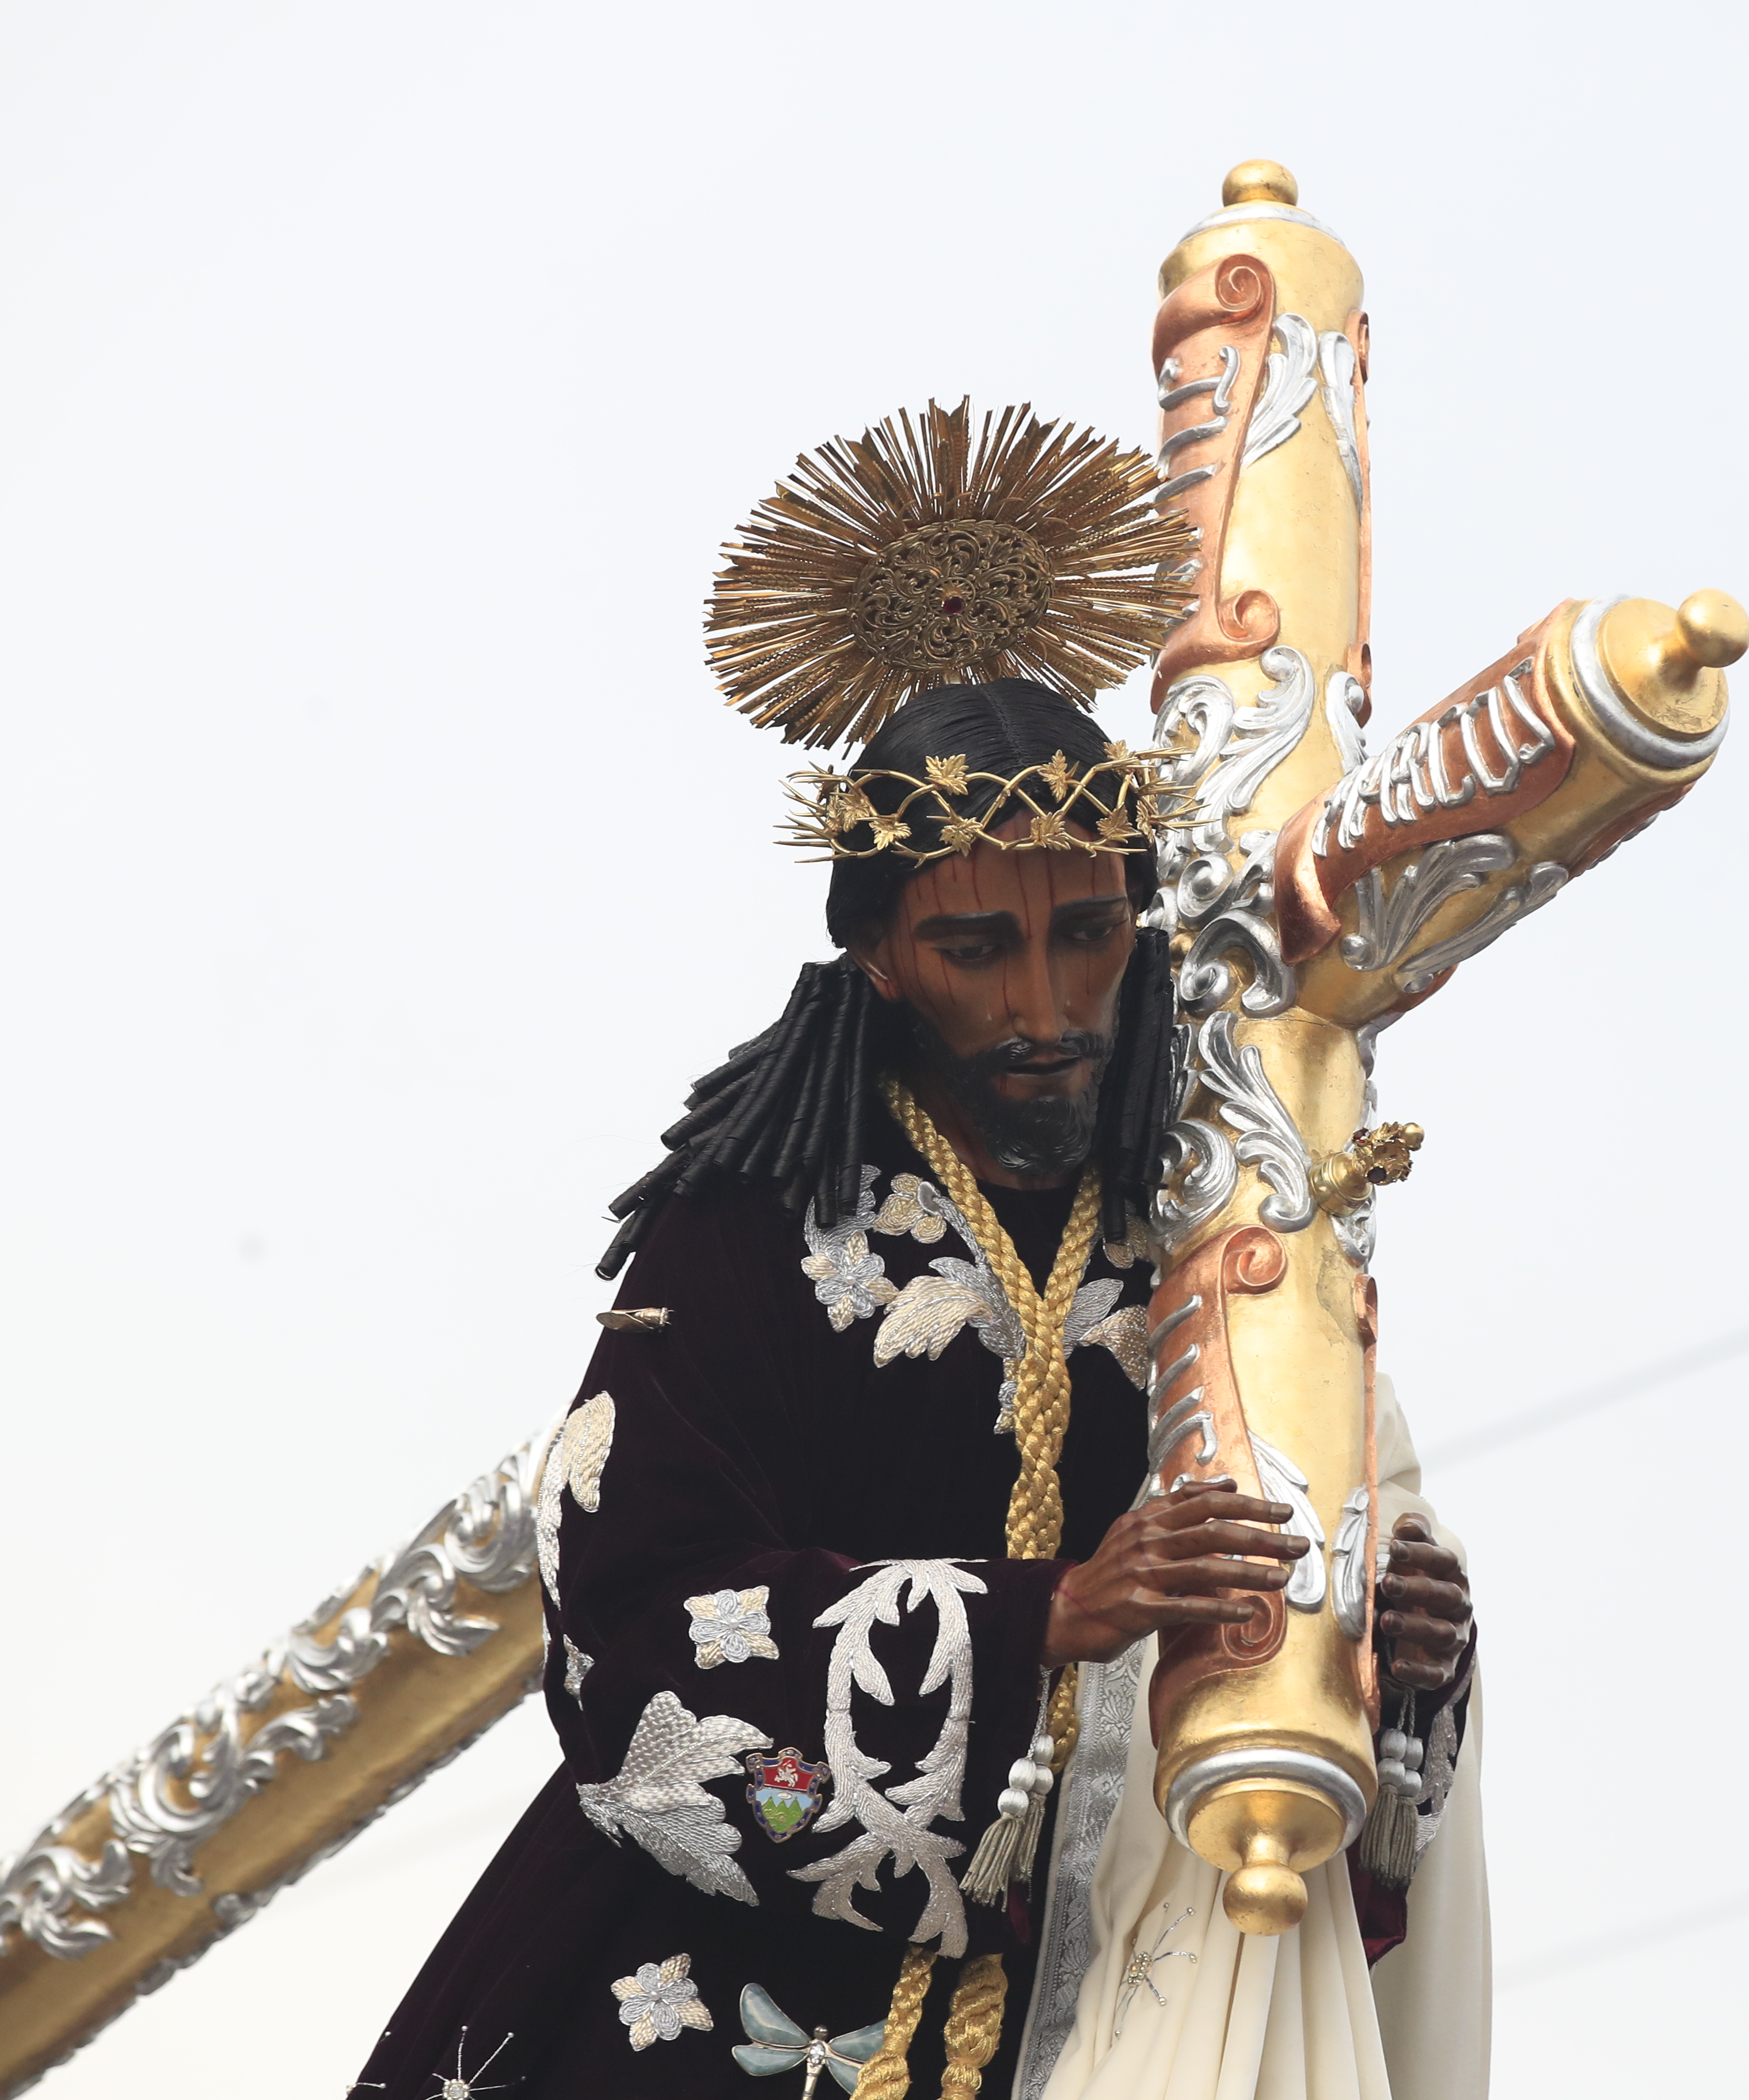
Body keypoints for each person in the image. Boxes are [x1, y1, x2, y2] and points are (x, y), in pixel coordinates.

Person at [355, 409, 1486, 2100]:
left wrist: (1392, 1658)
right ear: (879, 956)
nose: (1044, 1010)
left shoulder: (1214, 1236)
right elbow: (627, 1632)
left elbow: (1300, 1736)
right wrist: (1044, 1615)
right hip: (713, 2014)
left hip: (1111, 2019)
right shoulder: (749, 1234)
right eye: (980, 949)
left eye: (1088, 936)